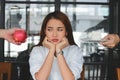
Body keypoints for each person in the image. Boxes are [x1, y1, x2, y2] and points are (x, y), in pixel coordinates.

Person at [29, 11, 84, 80]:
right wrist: (51, 50)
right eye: (50, 30)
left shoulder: (75, 51)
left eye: (60, 30)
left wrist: (58, 50)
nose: (54, 34)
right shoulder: (37, 50)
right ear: (45, 31)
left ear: (66, 32)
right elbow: (40, 79)